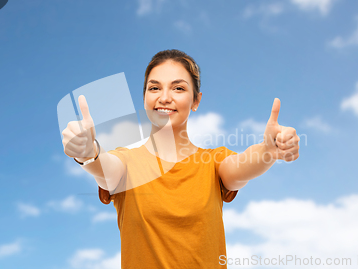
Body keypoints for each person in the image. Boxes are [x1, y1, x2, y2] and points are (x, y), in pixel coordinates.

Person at [61, 49, 300, 268]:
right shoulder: (127, 164)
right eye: (154, 88)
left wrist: (268, 151)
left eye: (178, 88)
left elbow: (242, 166)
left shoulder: (213, 162)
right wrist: (87, 152)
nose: (164, 97)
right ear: (144, 98)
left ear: (196, 100)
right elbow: (105, 168)